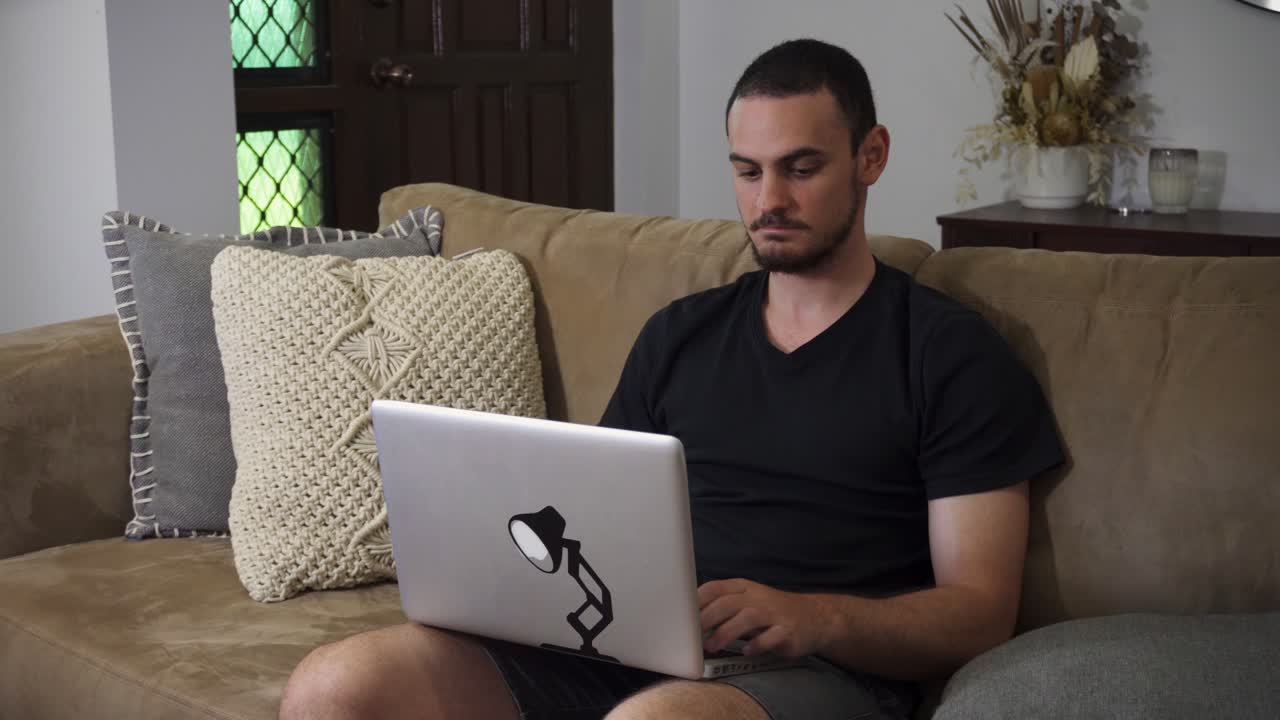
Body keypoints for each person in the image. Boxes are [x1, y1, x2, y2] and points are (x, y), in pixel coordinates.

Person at [278, 38, 1064, 720]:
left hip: (819, 673)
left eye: (801, 169)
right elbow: (596, 514)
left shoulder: (951, 355)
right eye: (748, 172)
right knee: (336, 686)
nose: (770, 202)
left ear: (871, 156)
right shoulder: (680, 335)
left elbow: (979, 614)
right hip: (623, 641)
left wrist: (816, 617)